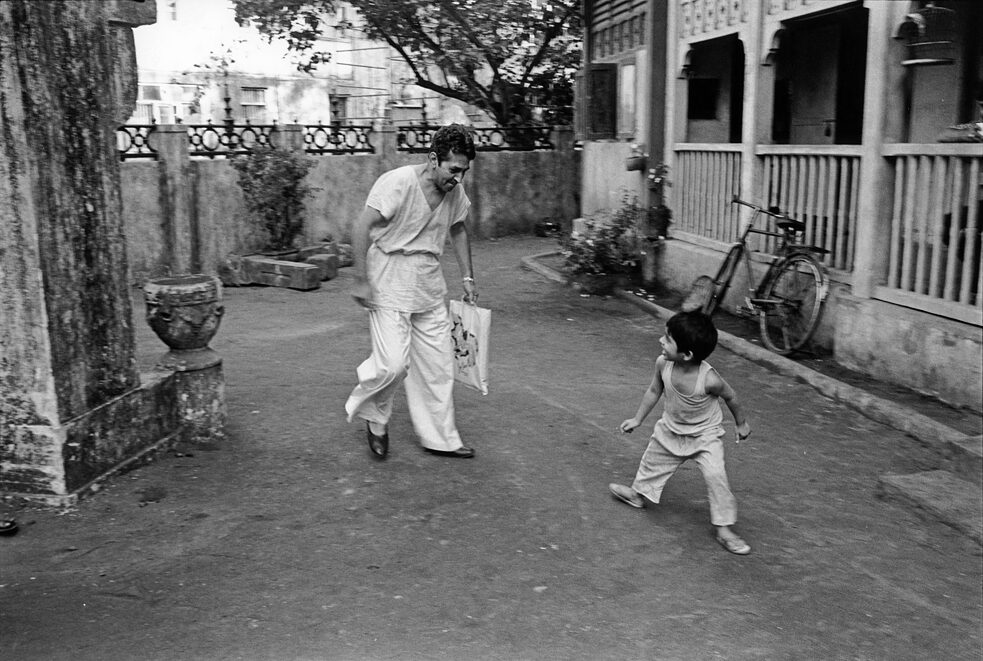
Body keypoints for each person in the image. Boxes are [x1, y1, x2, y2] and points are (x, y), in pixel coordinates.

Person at [344, 123, 478, 460]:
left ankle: (442, 438)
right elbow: (362, 226)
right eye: (454, 169)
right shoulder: (398, 183)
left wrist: (468, 279)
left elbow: (459, 229)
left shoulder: (455, 193)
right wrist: (360, 278)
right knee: (392, 364)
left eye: (464, 171)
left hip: (429, 283)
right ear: (434, 159)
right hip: (388, 276)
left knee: (437, 365)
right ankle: (375, 417)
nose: (459, 178)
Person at [609, 311, 752, 555]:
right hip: (672, 429)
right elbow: (654, 391)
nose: (661, 342)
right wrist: (637, 419)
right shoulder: (663, 363)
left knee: (716, 476)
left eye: (668, 339)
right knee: (652, 461)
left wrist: (741, 423)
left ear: (687, 355)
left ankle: (725, 529)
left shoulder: (710, 379)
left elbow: (731, 397)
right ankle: (637, 494)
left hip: (705, 436)